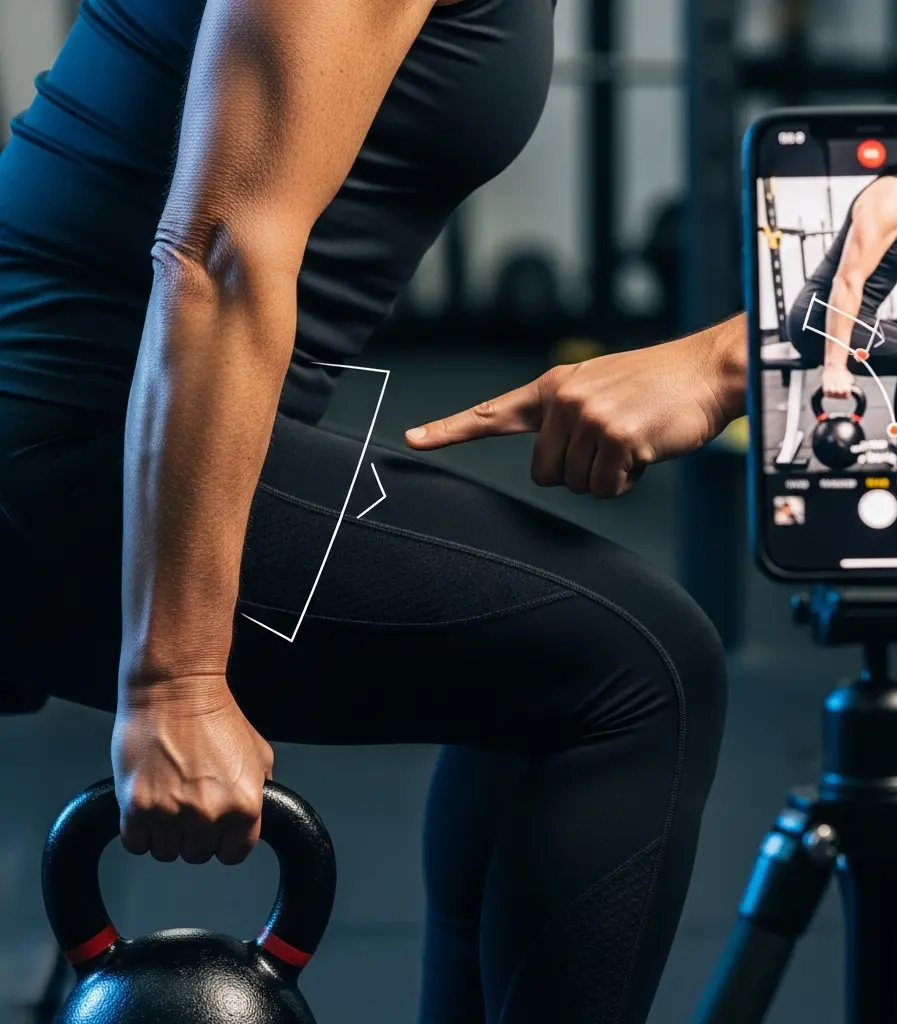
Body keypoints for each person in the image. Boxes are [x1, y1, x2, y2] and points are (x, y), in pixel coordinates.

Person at [0, 1, 738, 1021]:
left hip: (114, 426)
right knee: (642, 670)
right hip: (68, 448)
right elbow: (218, 255)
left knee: (547, 662)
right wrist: (175, 679)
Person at [413, 161, 897, 972]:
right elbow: (844, 285)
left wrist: (723, 368)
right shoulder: (891, 200)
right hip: (830, 323)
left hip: (860, 328)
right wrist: (790, 370)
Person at [784, 168, 897, 481]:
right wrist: (834, 365)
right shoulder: (892, 196)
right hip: (819, 319)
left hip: (846, 316)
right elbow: (847, 279)